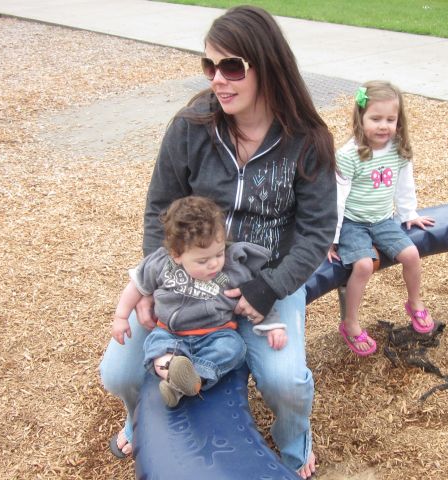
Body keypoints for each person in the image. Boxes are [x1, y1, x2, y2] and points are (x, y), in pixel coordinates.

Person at [99, 6, 337, 478]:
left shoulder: (307, 140)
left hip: (264, 279)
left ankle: (294, 441)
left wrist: (269, 288)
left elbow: (316, 232)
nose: (218, 80)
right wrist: (150, 285)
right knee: (119, 372)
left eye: (232, 67)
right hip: (186, 278)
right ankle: (137, 419)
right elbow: (159, 208)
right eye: (210, 65)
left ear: (267, 65)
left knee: (286, 382)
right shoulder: (191, 127)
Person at [111, 196, 287, 408]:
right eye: (203, 260)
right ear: (177, 255)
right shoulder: (161, 264)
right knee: (156, 348)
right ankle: (179, 378)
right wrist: (121, 316)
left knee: (234, 348)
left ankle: (190, 380)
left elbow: (256, 299)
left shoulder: (232, 271)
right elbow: (136, 286)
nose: (214, 264)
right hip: (170, 333)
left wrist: (273, 326)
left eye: (219, 254)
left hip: (215, 334)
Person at [327, 80, 436, 357]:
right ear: (360, 118)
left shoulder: (397, 148)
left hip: (382, 219)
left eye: (390, 119)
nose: (383, 126)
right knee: (363, 265)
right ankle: (350, 323)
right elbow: (336, 199)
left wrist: (409, 214)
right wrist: (331, 238)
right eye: (375, 119)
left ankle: (414, 302)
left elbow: (404, 184)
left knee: (411, 254)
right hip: (352, 222)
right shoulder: (349, 155)